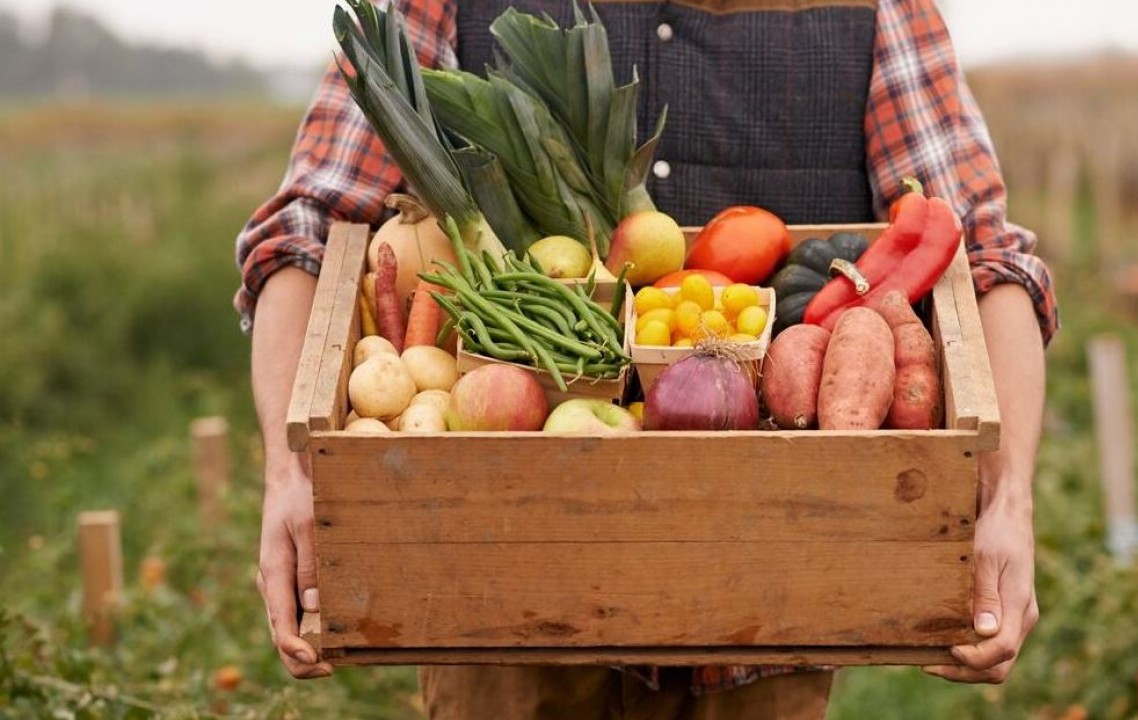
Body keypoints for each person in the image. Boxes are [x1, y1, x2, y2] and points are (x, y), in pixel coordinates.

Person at [236, 0, 1058, 715]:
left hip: (767, 612)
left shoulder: (872, 4)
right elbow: (306, 231)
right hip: (503, 606)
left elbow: (985, 259)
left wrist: (1007, 502)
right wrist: (289, 476)